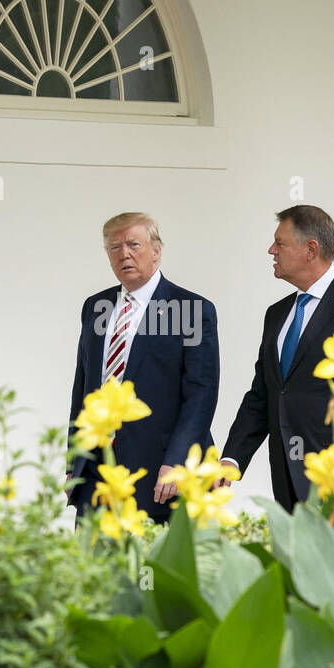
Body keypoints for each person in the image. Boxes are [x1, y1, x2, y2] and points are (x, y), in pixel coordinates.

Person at [217, 204, 334, 510]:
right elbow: (263, 394)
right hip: (286, 479)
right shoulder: (276, 314)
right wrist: (232, 457)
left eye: (280, 243)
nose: (271, 250)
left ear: (311, 249)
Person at [67, 212, 220, 523]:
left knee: (152, 566)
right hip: (97, 471)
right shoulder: (95, 307)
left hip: (161, 472)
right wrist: (73, 462)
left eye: (134, 244)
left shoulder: (190, 309)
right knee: (95, 567)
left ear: (156, 250)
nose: (124, 253)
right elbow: (83, 387)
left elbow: (201, 396)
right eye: (115, 247)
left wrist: (177, 461)